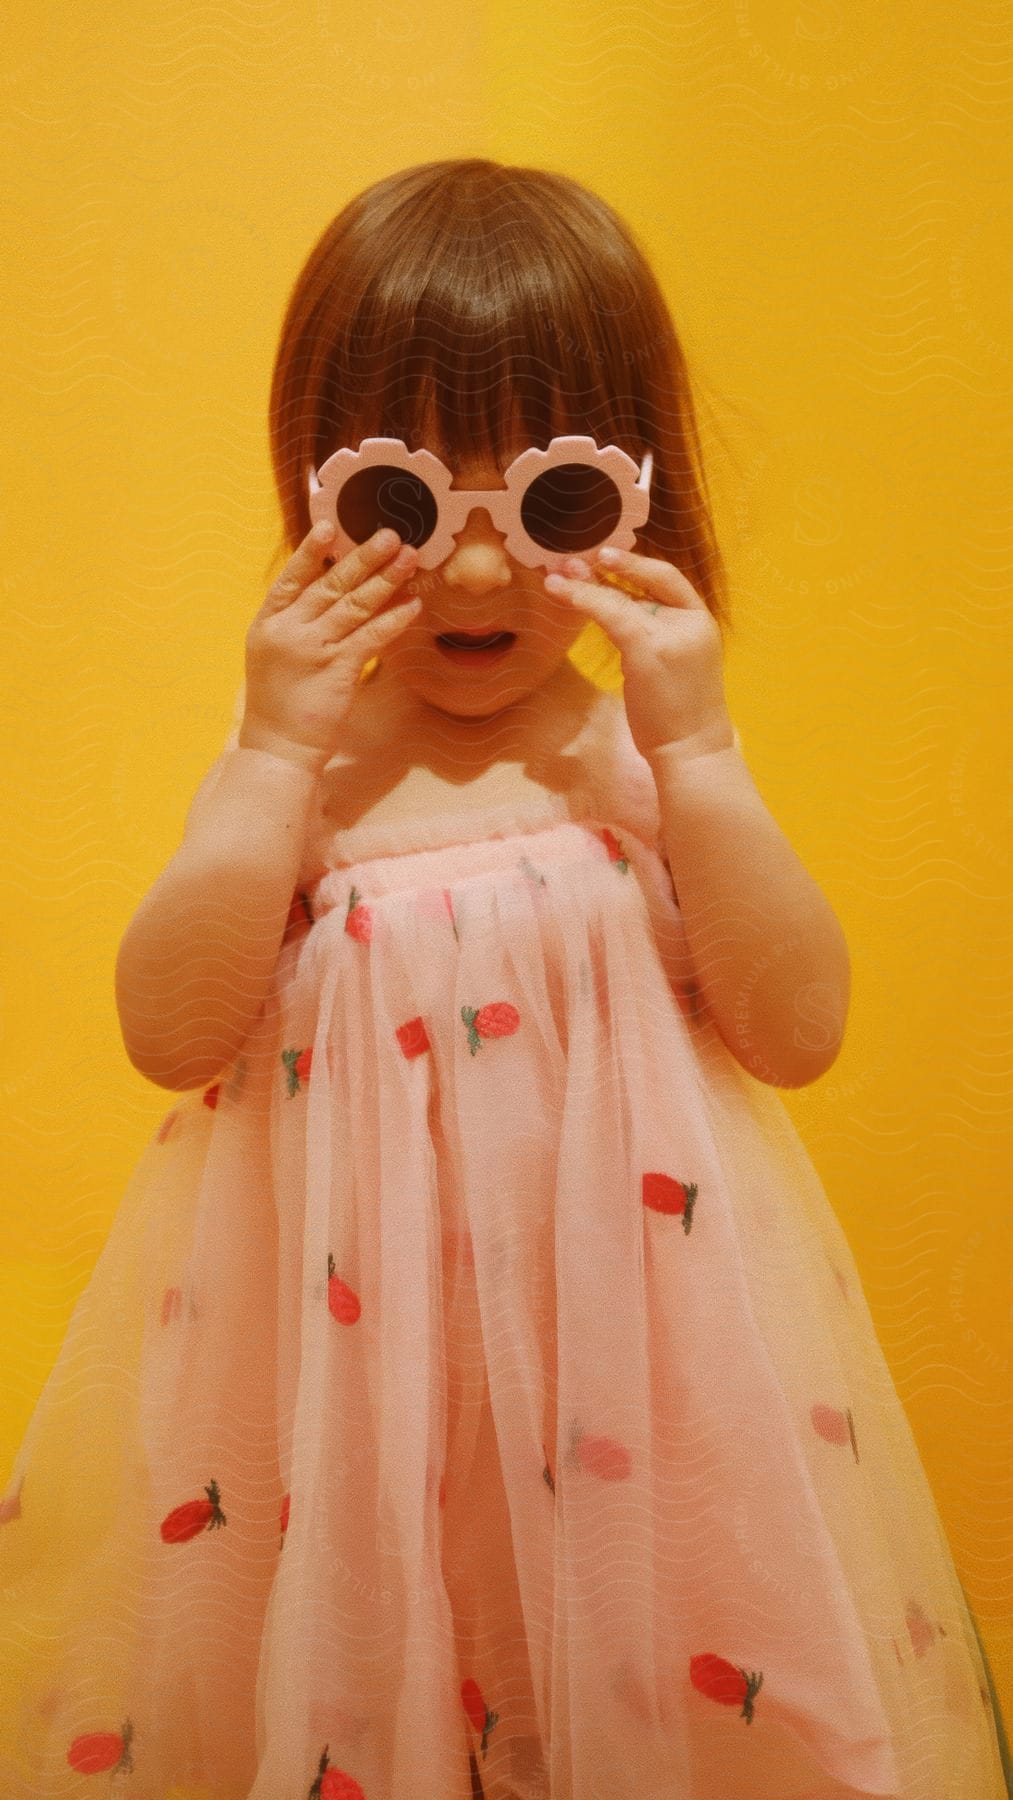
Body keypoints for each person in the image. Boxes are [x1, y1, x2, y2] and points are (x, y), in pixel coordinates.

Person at [0, 158, 1008, 1800]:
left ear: (637, 502)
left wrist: (700, 748)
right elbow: (166, 1030)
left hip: (637, 1407)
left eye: (544, 507)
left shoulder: (631, 767)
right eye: (404, 506)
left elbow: (798, 1031)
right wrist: (265, 755)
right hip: (346, 1406)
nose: (473, 578)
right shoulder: (306, 791)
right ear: (316, 489)